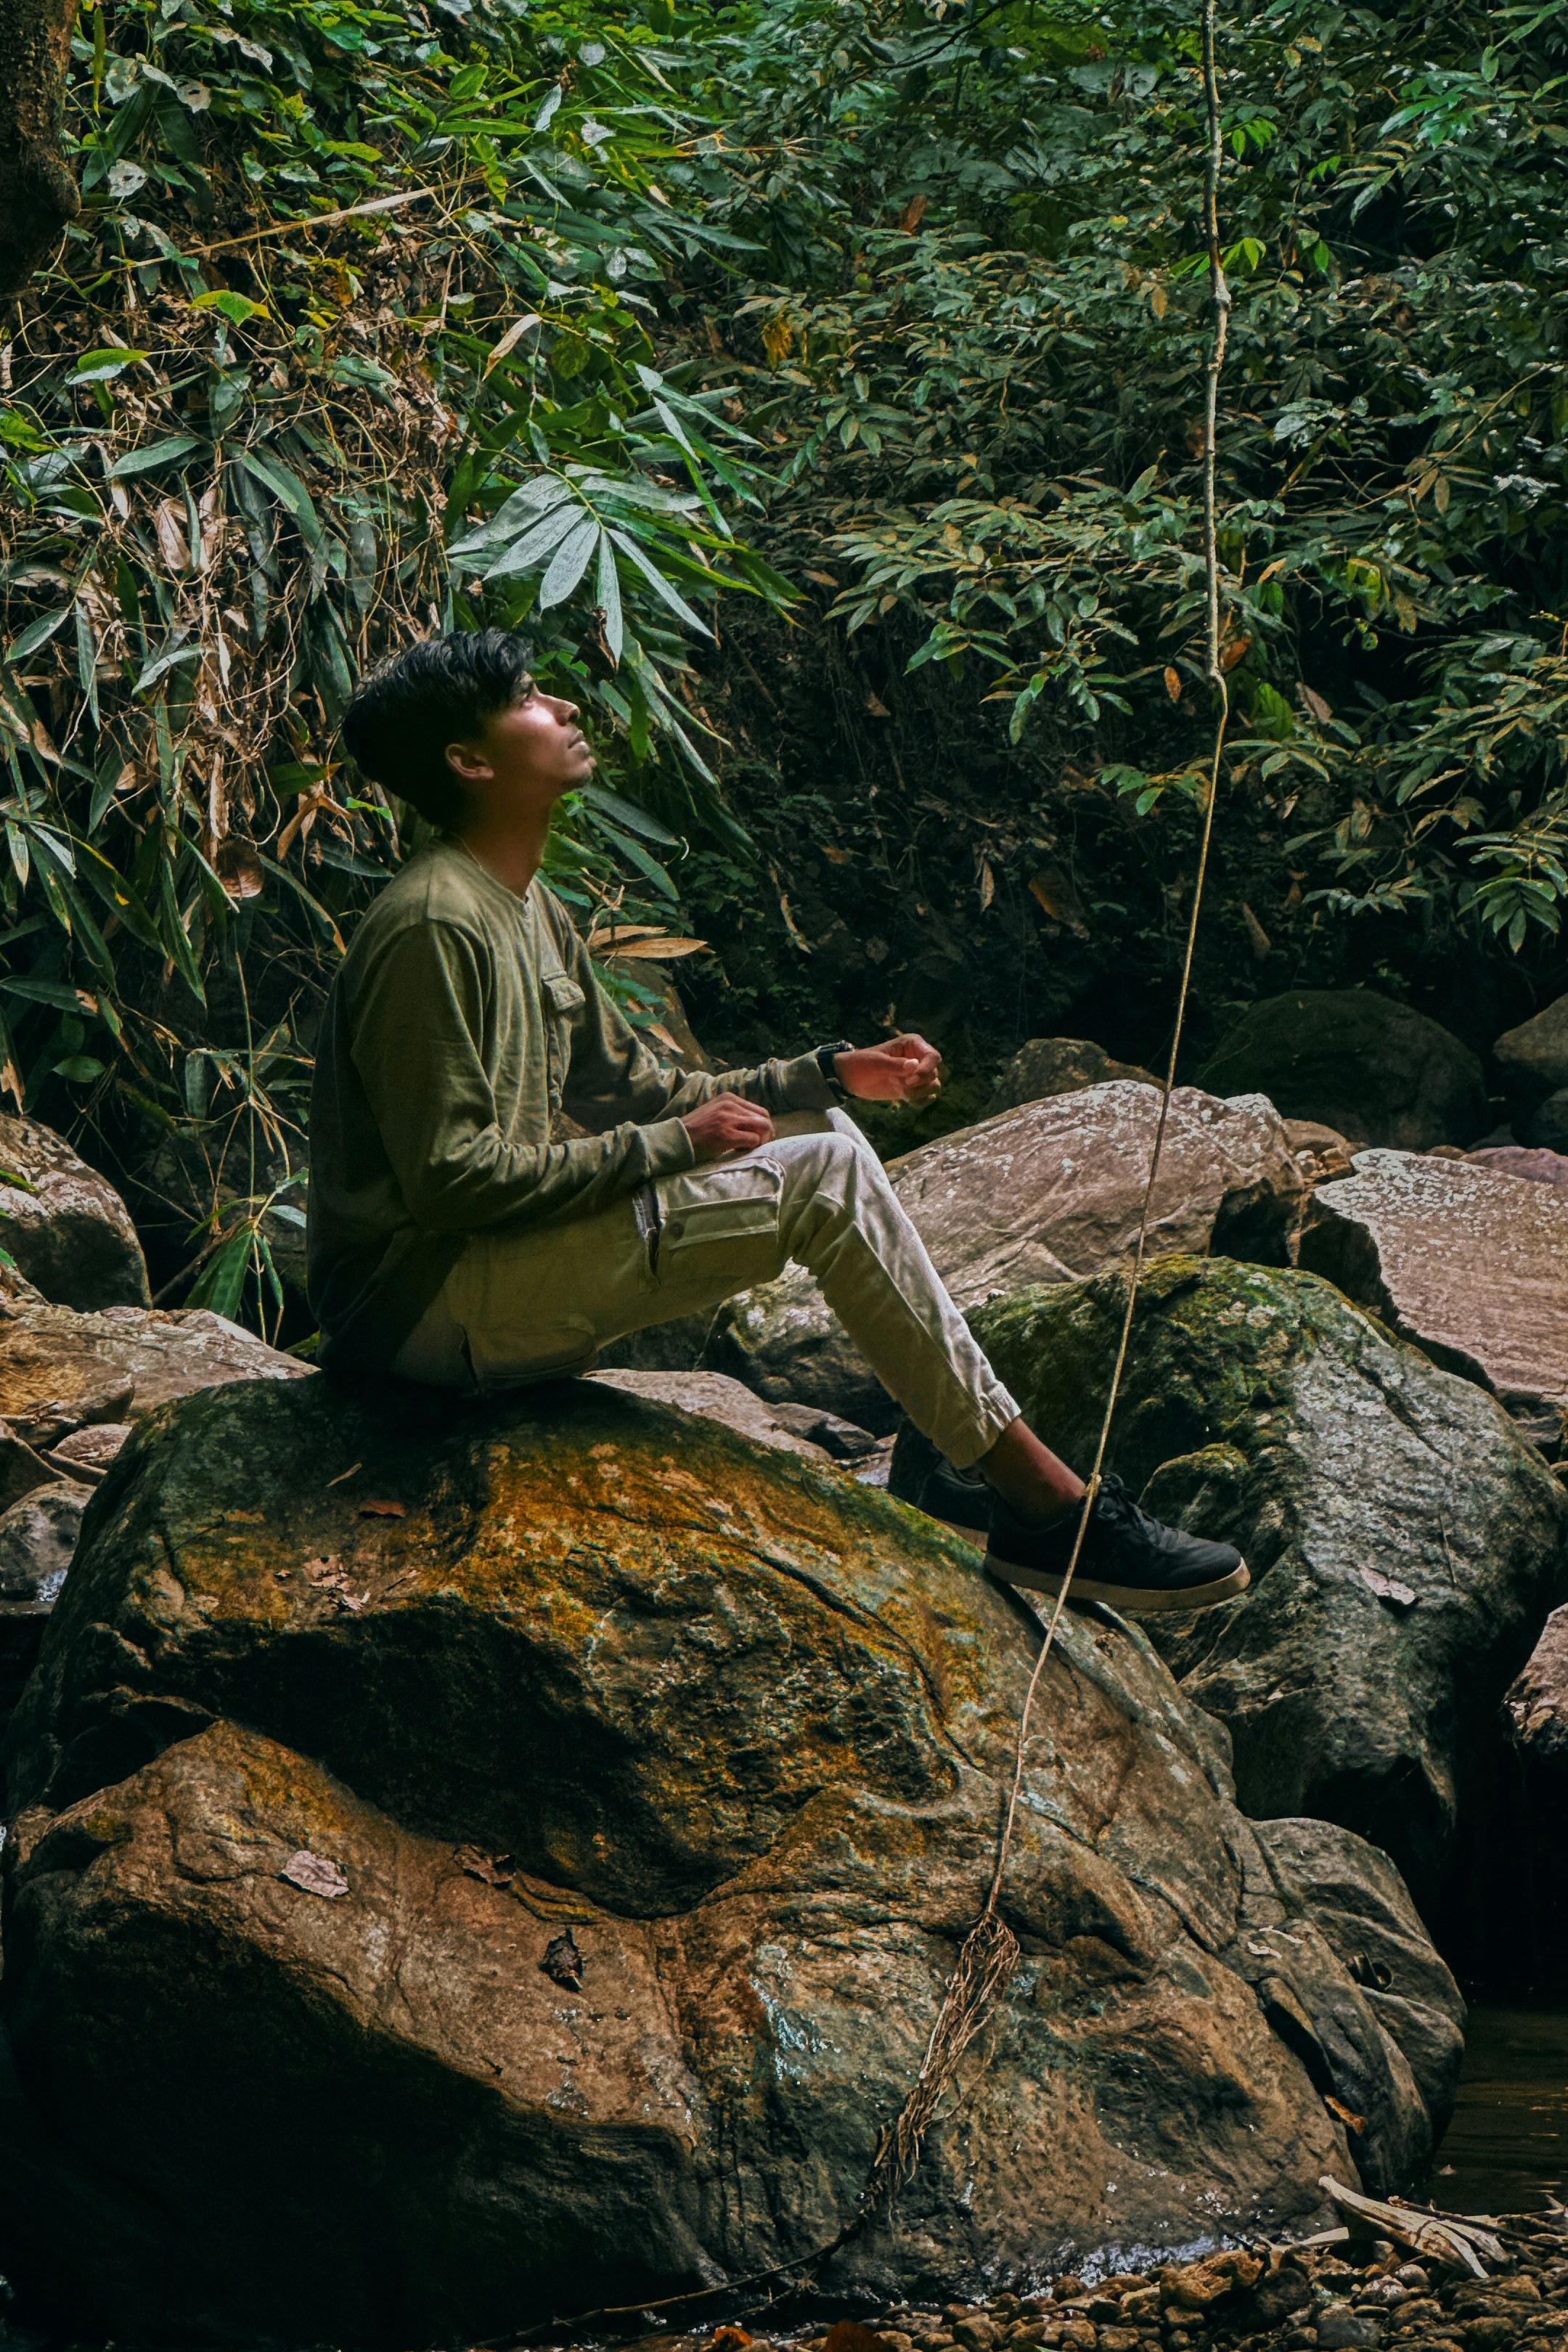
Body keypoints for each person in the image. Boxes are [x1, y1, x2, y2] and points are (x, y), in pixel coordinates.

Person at [304, 632, 1248, 1616]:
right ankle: (1049, 1511)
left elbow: (637, 1084)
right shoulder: (433, 924)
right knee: (825, 1180)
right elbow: (452, 1180)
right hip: (419, 1311)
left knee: (833, 1135)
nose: (567, 711)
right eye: (534, 700)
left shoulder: (523, 902)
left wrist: (829, 1072)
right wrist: (680, 1146)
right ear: (470, 762)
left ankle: (941, 1452)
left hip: (476, 1279)